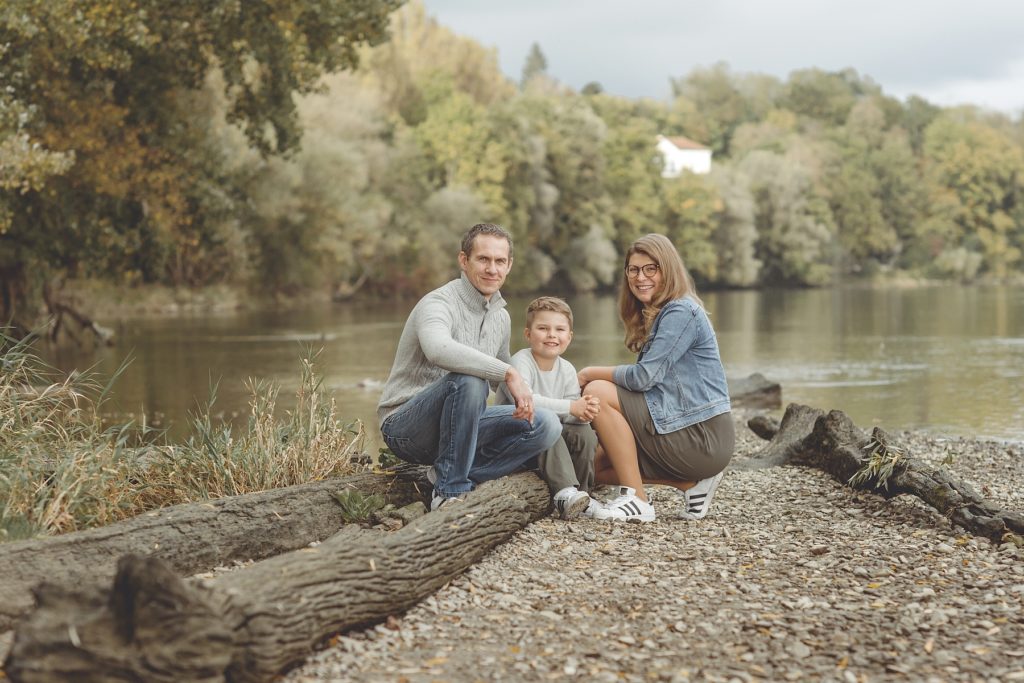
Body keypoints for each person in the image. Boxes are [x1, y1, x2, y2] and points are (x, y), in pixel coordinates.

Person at [377, 223, 562, 511]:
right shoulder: (438, 303)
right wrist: (508, 372)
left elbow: (509, 391)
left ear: (509, 265)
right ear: (464, 260)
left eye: (500, 261)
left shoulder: (501, 317)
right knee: (471, 380)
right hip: (407, 427)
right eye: (483, 259)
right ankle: (449, 493)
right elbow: (438, 349)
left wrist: (566, 406)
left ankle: (449, 471)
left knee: (545, 423)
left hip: (461, 426)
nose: (492, 269)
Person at [577, 233, 734, 523]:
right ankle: (691, 486)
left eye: (651, 268)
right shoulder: (661, 313)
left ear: (668, 270)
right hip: (683, 428)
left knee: (597, 390)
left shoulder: (681, 311)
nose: (641, 277)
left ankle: (637, 500)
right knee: (593, 468)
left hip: (703, 435)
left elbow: (643, 378)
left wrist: (588, 373)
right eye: (634, 270)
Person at [497, 296, 601, 520]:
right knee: (546, 421)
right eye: (543, 328)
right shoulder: (520, 363)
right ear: (528, 334)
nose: (552, 334)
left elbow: (571, 415)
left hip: (551, 445)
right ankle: (563, 493)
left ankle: (582, 495)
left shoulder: (567, 369)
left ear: (569, 337)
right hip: (518, 439)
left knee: (585, 434)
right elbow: (528, 403)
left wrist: (584, 412)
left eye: (560, 329)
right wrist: (572, 406)